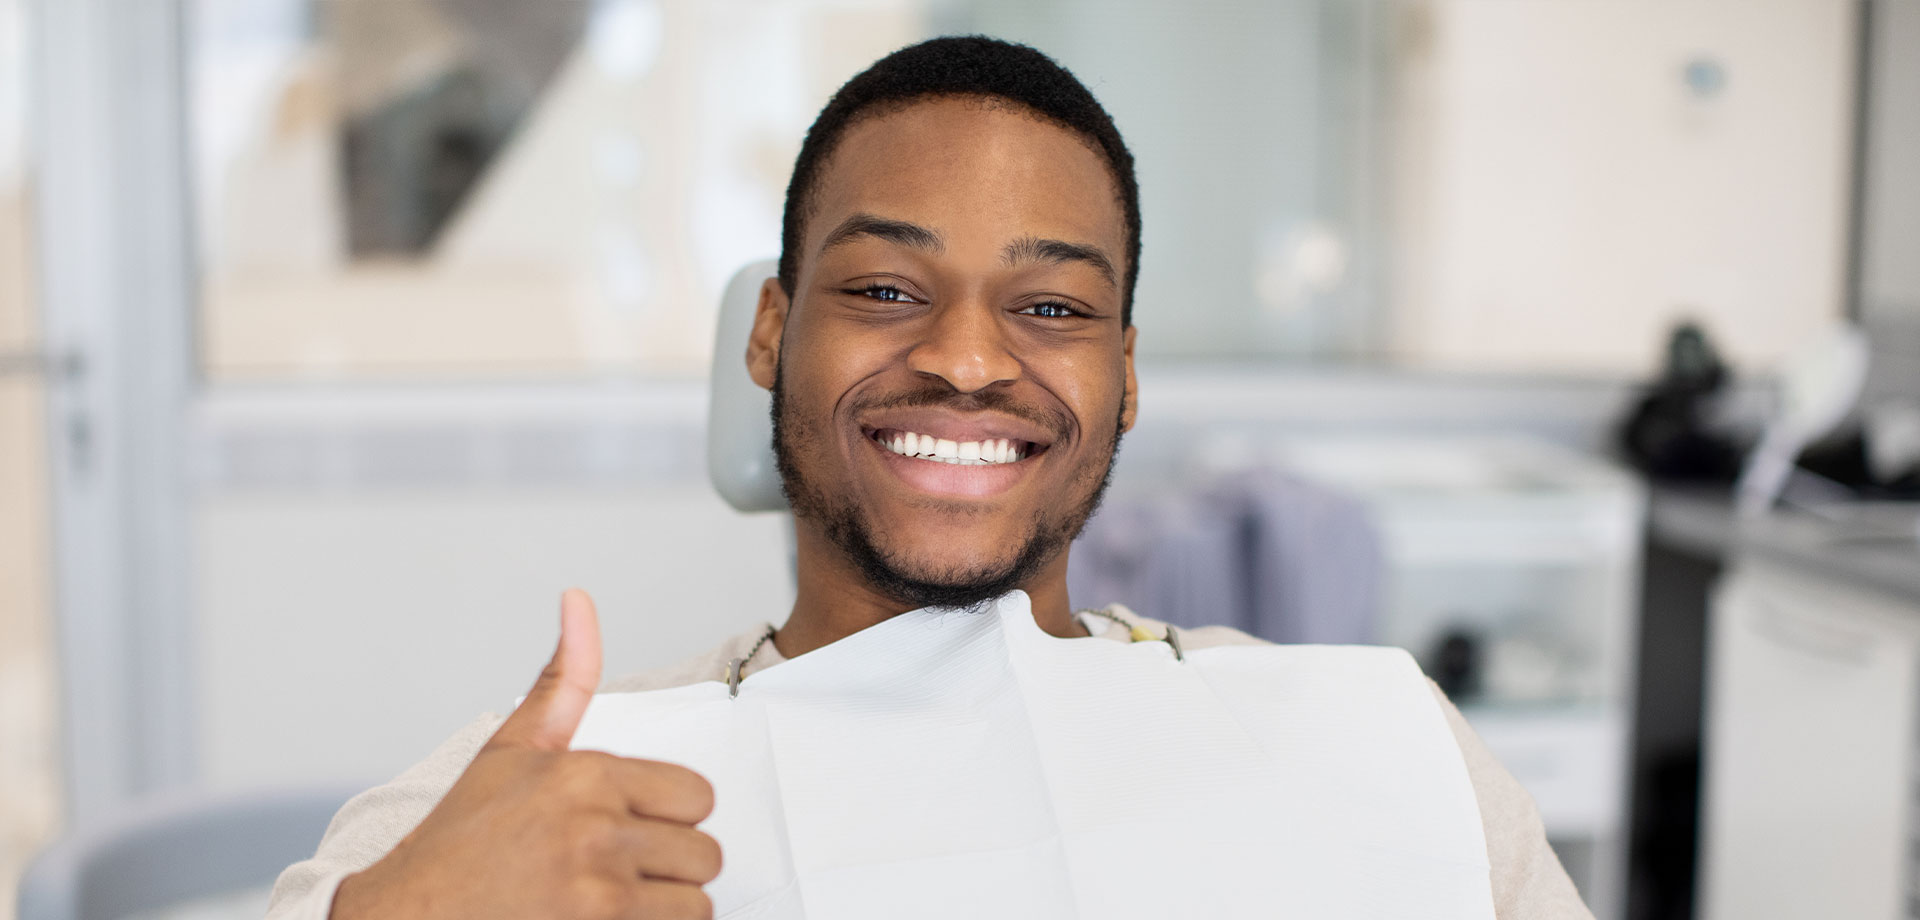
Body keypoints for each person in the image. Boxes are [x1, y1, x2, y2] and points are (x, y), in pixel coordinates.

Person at [268, 36, 1591, 920]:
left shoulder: (1376, 754)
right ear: (773, 337)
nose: (966, 360)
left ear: (1126, 374)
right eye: (887, 288)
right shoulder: (549, 794)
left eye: (1053, 309)